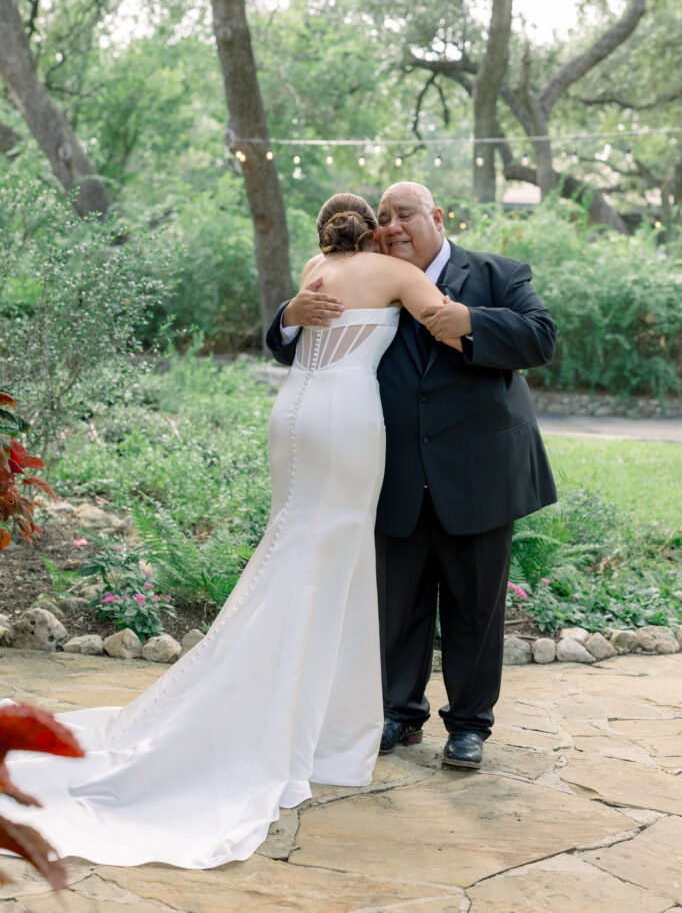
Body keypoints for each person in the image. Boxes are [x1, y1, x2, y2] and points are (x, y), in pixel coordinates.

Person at [0, 192, 461, 869]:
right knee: (329, 562)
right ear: (371, 232)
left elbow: (295, 334)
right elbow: (444, 321)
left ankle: (310, 725)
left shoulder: (313, 268)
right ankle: (315, 735)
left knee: (296, 550)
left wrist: (288, 315)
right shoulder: (394, 274)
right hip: (347, 422)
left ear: (325, 232)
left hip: (295, 416)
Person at [267, 181, 557, 770]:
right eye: (384, 217)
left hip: (478, 474)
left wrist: (470, 321)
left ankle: (470, 725)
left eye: (405, 214)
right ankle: (399, 712)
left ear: (437, 217)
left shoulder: (498, 274)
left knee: (476, 607)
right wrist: (287, 317)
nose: (393, 225)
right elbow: (303, 347)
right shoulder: (367, 273)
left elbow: (540, 338)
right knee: (396, 603)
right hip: (391, 469)